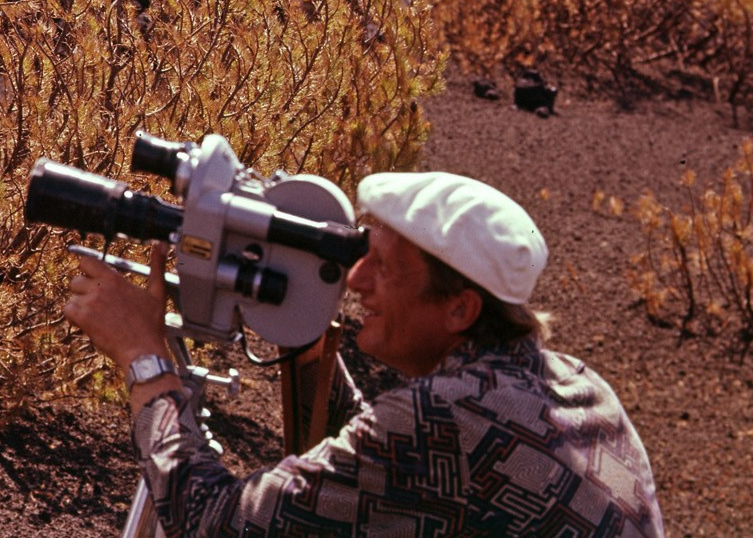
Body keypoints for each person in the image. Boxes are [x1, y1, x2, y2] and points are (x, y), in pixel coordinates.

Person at [61, 169, 665, 537]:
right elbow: (387, 474)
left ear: (460, 309)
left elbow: (211, 522)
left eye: (385, 267)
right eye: (361, 253)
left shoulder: (444, 420)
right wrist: (299, 327)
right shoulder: (578, 386)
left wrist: (143, 358)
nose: (355, 280)